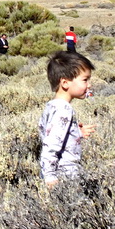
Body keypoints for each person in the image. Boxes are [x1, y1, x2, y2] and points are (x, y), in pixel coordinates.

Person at [38, 51, 96, 187]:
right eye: (85, 80)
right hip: (64, 176)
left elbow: (52, 134)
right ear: (65, 83)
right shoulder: (63, 110)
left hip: (61, 174)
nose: (89, 85)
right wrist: (50, 177)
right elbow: (50, 146)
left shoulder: (51, 106)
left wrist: (77, 132)